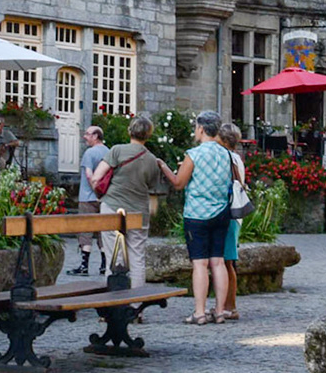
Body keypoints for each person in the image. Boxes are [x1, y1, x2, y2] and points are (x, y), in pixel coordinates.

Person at [163, 112, 233, 326]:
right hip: (222, 212)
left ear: (201, 129)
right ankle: (220, 311)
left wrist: (163, 167)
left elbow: (178, 183)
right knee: (219, 262)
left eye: (196, 127)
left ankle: (200, 312)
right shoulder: (226, 154)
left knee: (200, 264)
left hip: (197, 214)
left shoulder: (193, 155)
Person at [97, 114, 174, 285]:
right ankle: (135, 305)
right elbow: (152, 191)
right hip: (139, 211)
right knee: (137, 258)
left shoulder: (116, 150)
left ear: (129, 131)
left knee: (112, 255)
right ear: (149, 135)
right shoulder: (152, 160)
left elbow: (97, 177)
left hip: (112, 205)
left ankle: (114, 301)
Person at [216, 122, 247, 323]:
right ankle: (226, 304)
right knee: (227, 261)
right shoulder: (236, 158)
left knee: (228, 262)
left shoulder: (229, 158)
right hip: (234, 214)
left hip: (229, 213)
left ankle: (230, 306)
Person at [71, 125, 110, 276]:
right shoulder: (108, 152)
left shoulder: (89, 153)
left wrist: (95, 189)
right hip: (104, 198)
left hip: (88, 197)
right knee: (103, 231)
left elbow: (89, 174)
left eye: (87, 134)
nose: (85, 137)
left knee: (85, 231)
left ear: (95, 136)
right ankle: (104, 265)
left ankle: (84, 265)